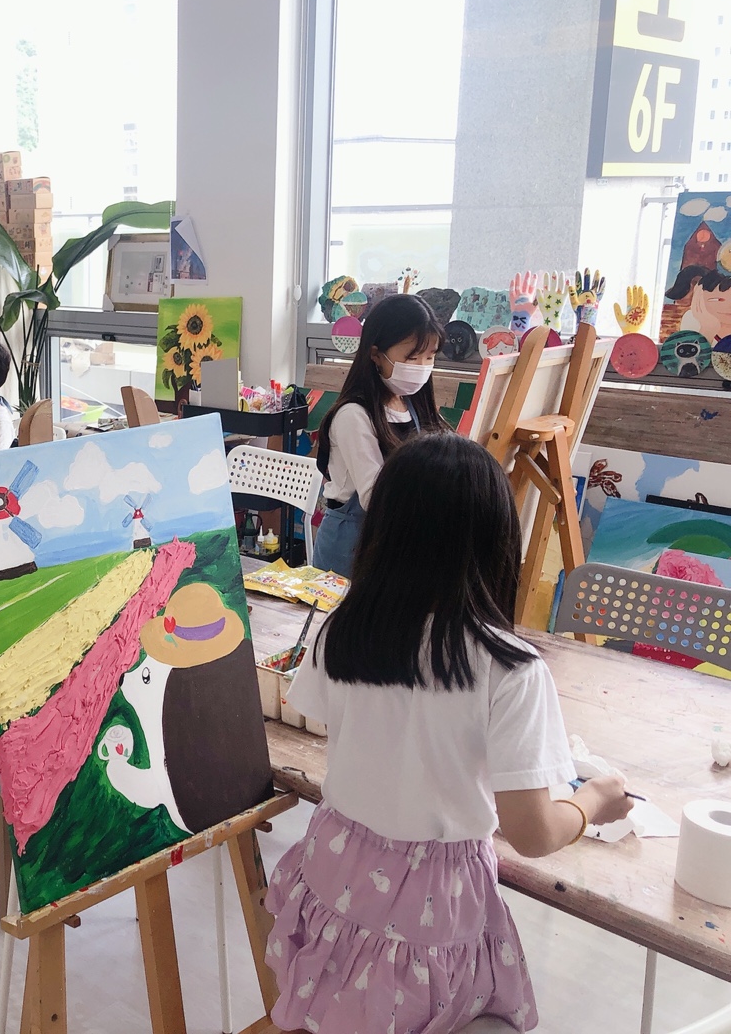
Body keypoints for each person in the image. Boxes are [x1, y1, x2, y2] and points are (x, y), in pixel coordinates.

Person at [266, 433, 634, 1034]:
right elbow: (532, 833)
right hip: (431, 902)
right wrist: (595, 800)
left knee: (345, 1003)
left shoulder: (342, 630)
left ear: (381, 533)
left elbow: (354, 731)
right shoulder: (511, 668)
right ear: (498, 543)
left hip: (334, 863)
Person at [313, 293, 448, 577]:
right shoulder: (353, 415)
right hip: (351, 544)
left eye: (430, 357)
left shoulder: (412, 405)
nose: (422, 367)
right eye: (412, 357)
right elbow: (374, 497)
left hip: (394, 541)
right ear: (375, 354)